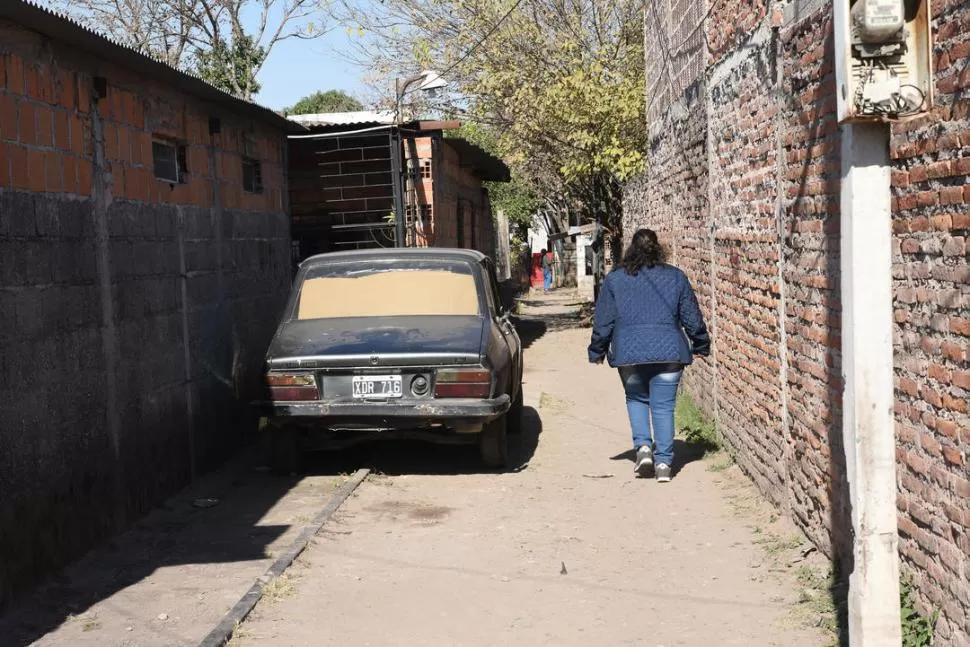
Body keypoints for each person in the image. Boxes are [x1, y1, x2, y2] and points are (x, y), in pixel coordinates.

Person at [587, 228, 710, 482]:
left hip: (629, 352)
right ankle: (664, 463)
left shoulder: (616, 279)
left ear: (630, 249)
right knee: (664, 407)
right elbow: (691, 316)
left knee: (636, 399)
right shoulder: (676, 277)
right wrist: (700, 344)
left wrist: (597, 350)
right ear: (658, 249)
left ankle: (643, 448)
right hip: (669, 352)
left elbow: (604, 320)